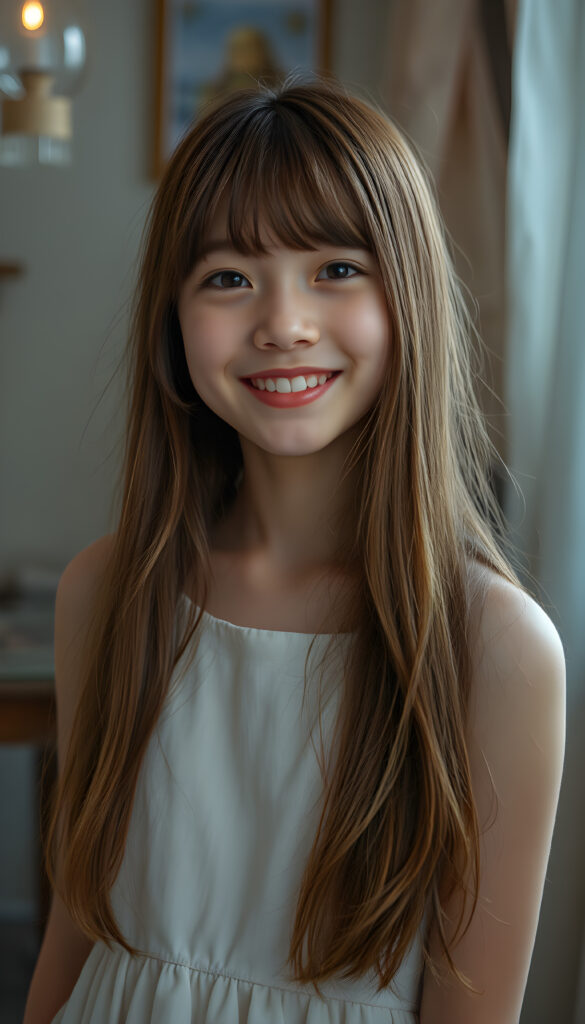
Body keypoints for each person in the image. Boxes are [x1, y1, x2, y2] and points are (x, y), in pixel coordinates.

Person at [23, 77, 565, 1024]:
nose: (282, 323)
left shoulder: (494, 646)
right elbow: (76, 925)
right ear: (172, 319)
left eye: (336, 268)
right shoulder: (105, 591)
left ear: (408, 297)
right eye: (228, 278)